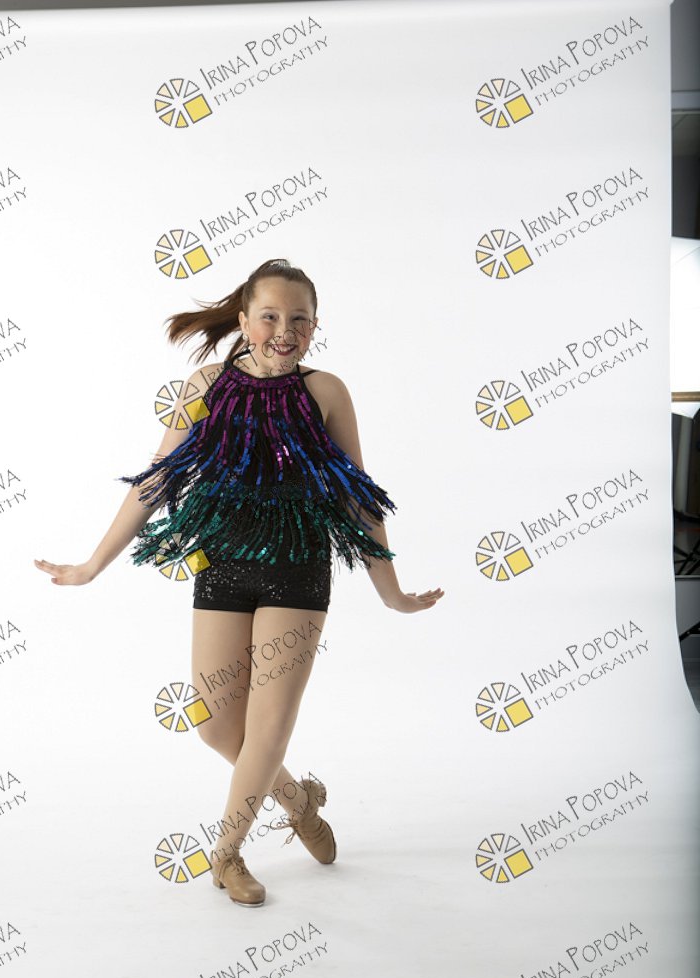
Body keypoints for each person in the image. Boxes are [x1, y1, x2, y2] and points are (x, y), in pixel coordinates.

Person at [34, 257, 444, 907]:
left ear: (315, 326)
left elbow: (358, 499)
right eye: (270, 316)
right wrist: (91, 565)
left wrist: (390, 591)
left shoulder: (326, 391)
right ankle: (299, 800)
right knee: (218, 728)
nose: (285, 330)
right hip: (223, 564)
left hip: (297, 568)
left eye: (300, 319)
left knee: (268, 728)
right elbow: (156, 480)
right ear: (245, 321)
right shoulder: (205, 385)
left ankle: (226, 854)